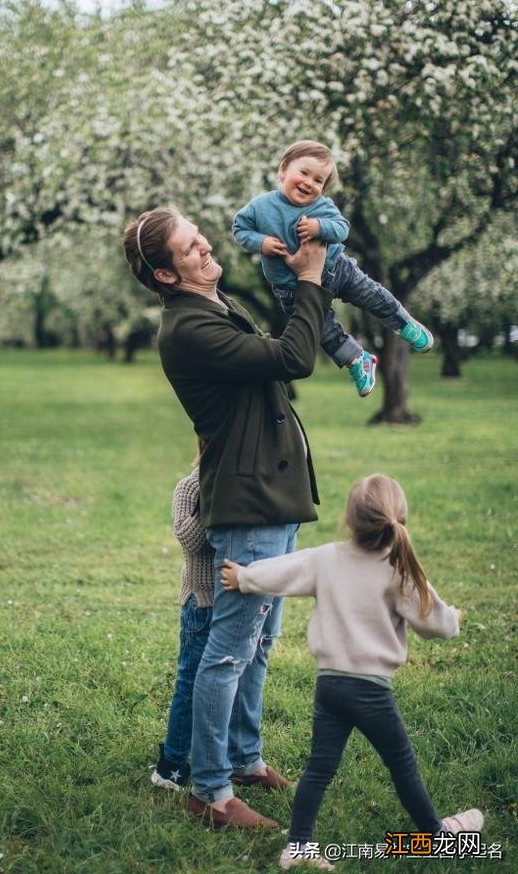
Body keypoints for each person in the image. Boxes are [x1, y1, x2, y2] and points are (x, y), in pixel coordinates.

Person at [123, 205, 332, 829]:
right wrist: (313, 280)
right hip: (249, 506)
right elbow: (293, 357)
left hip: (272, 497)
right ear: (166, 275)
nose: (206, 245)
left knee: (260, 643)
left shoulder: (212, 308)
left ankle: (243, 759)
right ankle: (210, 792)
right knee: (228, 652)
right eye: (190, 247)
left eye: (198, 236)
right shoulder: (188, 328)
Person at [221, 473, 484, 871]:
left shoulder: (327, 558)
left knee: (319, 769)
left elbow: (282, 570)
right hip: (371, 692)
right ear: (399, 522)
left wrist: (243, 577)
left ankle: (298, 847)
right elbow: (436, 623)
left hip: (330, 687)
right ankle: (436, 836)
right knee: (402, 764)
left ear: (349, 520)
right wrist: (455, 621)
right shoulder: (399, 569)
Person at [233, 139, 434, 398]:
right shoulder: (260, 207)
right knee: (322, 331)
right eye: (303, 173)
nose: (309, 183)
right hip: (292, 287)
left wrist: (319, 227)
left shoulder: (321, 207)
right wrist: (261, 242)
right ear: (283, 170)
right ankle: (357, 360)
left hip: (336, 269)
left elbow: (342, 228)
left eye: (318, 181)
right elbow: (240, 229)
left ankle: (403, 323)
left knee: (371, 294)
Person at [151, 444, 214, 791]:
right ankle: (173, 764)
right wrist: (214, 496)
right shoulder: (190, 486)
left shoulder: (243, 485)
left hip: (234, 600)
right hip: (201, 600)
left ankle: (223, 757)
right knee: (191, 682)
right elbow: (191, 540)